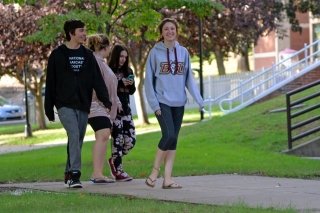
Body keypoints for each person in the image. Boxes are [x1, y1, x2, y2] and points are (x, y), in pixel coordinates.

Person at [44, 20, 112, 188]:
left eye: (84, 30)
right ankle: (75, 174)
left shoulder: (88, 55)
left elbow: (97, 79)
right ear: (71, 33)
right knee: (74, 134)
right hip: (64, 104)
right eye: (81, 31)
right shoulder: (57, 55)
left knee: (78, 138)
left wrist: (105, 99)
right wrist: (49, 108)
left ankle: (68, 170)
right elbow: (50, 81)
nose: (84, 34)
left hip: (83, 104)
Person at [144, 18, 204, 189]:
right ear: (161, 33)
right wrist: (154, 105)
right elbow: (148, 82)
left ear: (176, 31)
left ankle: (168, 179)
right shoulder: (155, 53)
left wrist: (199, 100)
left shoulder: (184, 52)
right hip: (162, 102)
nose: (170, 31)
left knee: (173, 140)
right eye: (166, 29)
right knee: (169, 135)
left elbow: (189, 80)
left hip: (179, 103)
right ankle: (154, 172)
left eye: (172, 28)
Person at [86, 34, 122, 184]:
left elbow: (111, 86)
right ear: (106, 47)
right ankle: (97, 173)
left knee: (104, 136)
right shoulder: (95, 61)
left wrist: (116, 101)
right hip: (95, 105)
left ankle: (98, 173)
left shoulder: (102, 62)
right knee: (103, 134)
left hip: (104, 106)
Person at [108, 44, 136, 181]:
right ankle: (118, 171)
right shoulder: (108, 71)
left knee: (131, 141)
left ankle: (113, 159)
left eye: (125, 57)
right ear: (115, 56)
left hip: (127, 111)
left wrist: (130, 84)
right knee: (117, 141)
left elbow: (132, 91)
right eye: (121, 56)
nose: (123, 59)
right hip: (114, 111)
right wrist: (120, 83)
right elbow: (108, 90)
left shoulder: (128, 70)